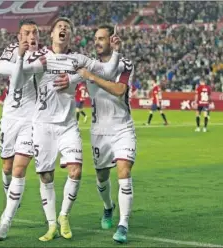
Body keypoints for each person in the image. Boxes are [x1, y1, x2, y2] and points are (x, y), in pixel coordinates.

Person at [22, 17, 121, 241]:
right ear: (52, 34)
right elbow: (19, 74)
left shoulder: (78, 59)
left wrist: (113, 52)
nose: (63, 29)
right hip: (43, 125)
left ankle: (64, 215)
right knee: (46, 176)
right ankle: (50, 225)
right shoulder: (40, 57)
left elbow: (106, 71)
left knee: (75, 171)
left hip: (68, 125)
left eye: (67, 27)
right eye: (59, 27)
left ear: (71, 35)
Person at [0, 19, 70, 241]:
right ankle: (11, 201)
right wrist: (19, 58)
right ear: (19, 36)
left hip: (31, 120)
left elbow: (17, 80)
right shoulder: (10, 49)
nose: (31, 37)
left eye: (34, 32)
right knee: (7, 167)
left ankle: (5, 222)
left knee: (18, 169)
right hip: (9, 118)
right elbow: (1, 69)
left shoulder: (43, 55)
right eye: (26, 33)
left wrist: (20, 62)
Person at [76, 24, 136, 244]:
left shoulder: (124, 64)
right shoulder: (89, 64)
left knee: (124, 171)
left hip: (122, 128)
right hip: (99, 131)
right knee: (102, 177)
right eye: (95, 38)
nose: (97, 42)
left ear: (112, 40)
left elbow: (120, 91)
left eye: (102, 38)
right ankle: (108, 207)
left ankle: (123, 225)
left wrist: (91, 78)